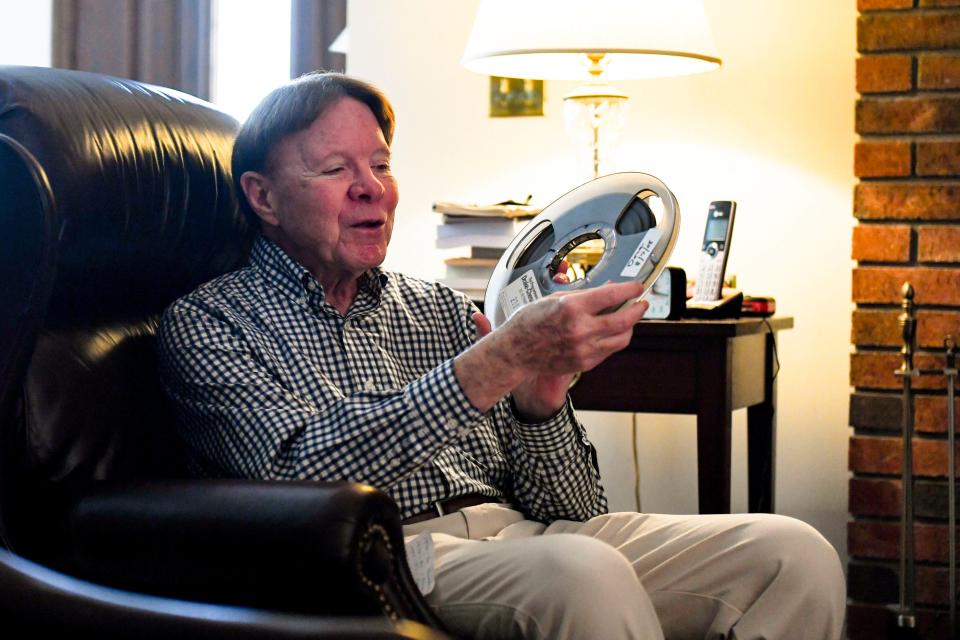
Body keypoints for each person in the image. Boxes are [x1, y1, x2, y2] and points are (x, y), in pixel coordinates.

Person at [158, 72, 845, 640]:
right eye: (337, 168)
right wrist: (490, 365)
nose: (371, 187)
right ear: (263, 196)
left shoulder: (440, 310)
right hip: (389, 555)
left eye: (381, 164)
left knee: (792, 555)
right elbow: (296, 475)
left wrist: (541, 398)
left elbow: (575, 508)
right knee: (581, 573)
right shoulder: (210, 323)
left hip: (526, 537)